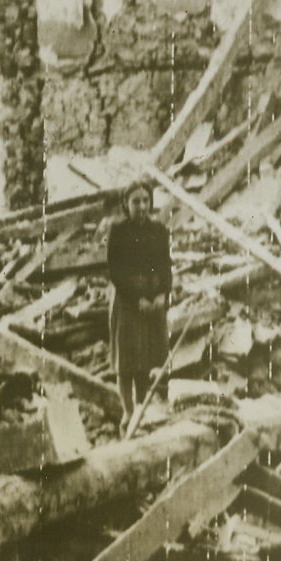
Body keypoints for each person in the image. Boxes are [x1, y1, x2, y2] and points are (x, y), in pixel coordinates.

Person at [106, 179, 172, 424]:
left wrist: (163, 294)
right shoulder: (118, 233)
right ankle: (128, 411)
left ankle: (143, 408)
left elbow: (166, 267)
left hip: (154, 299)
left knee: (148, 357)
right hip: (128, 300)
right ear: (126, 204)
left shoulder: (159, 231)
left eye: (145, 201)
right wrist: (138, 299)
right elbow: (116, 272)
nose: (142, 206)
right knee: (127, 361)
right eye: (136, 202)